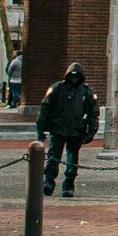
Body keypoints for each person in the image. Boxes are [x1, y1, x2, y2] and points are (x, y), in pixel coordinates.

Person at [37, 62, 101, 196]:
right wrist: (41, 128)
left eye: (77, 77)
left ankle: (68, 184)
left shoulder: (87, 92)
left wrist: (92, 131)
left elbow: (94, 113)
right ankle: (48, 181)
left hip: (76, 130)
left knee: (72, 160)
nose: (74, 79)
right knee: (53, 157)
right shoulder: (57, 89)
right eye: (72, 77)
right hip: (58, 128)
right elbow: (45, 108)